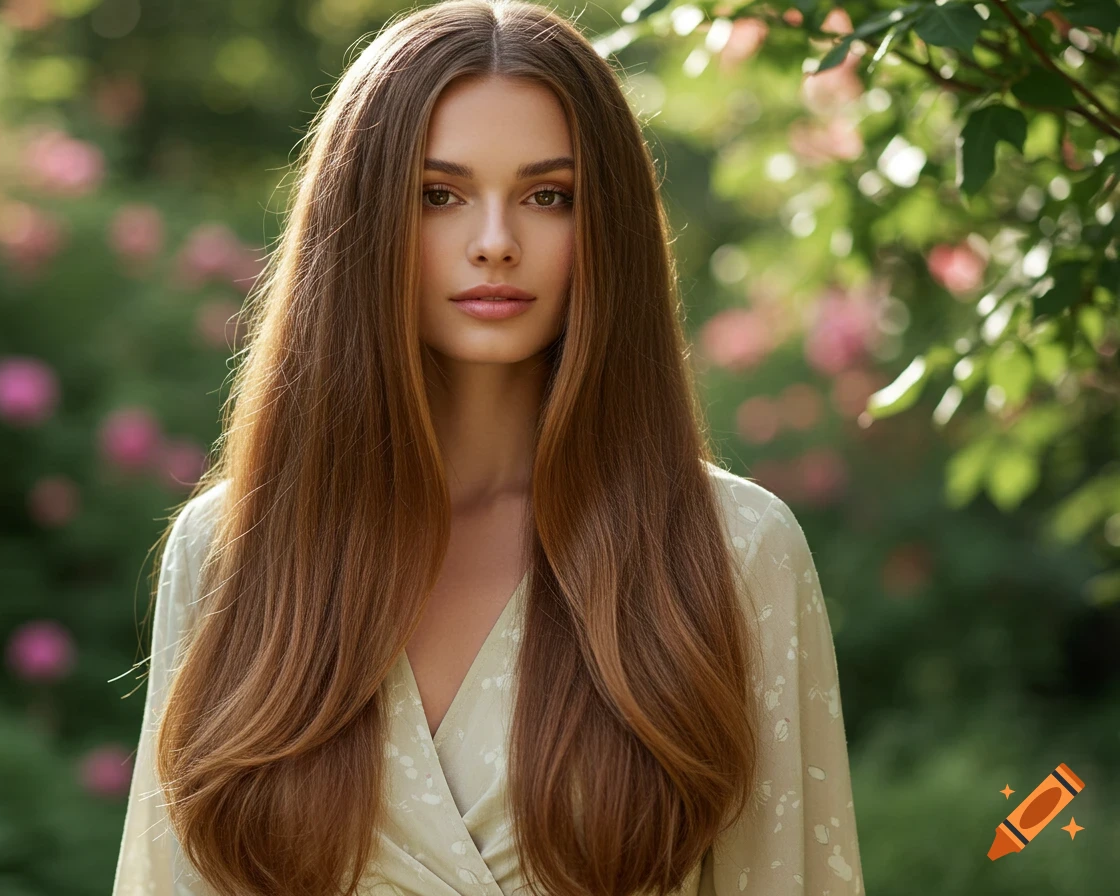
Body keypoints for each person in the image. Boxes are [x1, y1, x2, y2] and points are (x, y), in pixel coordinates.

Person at [110, 2, 864, 894]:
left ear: (606, 229)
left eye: (548, 197)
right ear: (362, 223)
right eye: (440, 196)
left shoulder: (734, 550)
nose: (496, 243)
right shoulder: (233, 550)